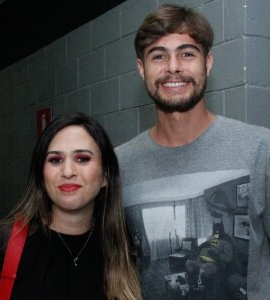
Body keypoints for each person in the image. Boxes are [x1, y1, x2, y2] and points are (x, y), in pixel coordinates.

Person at [115, 4, 270, 300]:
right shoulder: (119, 163)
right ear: (141, 69)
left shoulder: (260, 148)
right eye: (158, 56)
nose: (173, 67)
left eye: (187, 53)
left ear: (208, 63)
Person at [0, 113, 141, 300]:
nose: (67, 172)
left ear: (106, 176)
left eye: (82, 159)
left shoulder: (121, 245)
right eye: (55, 160)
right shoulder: (6, 243)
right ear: (41, 176)